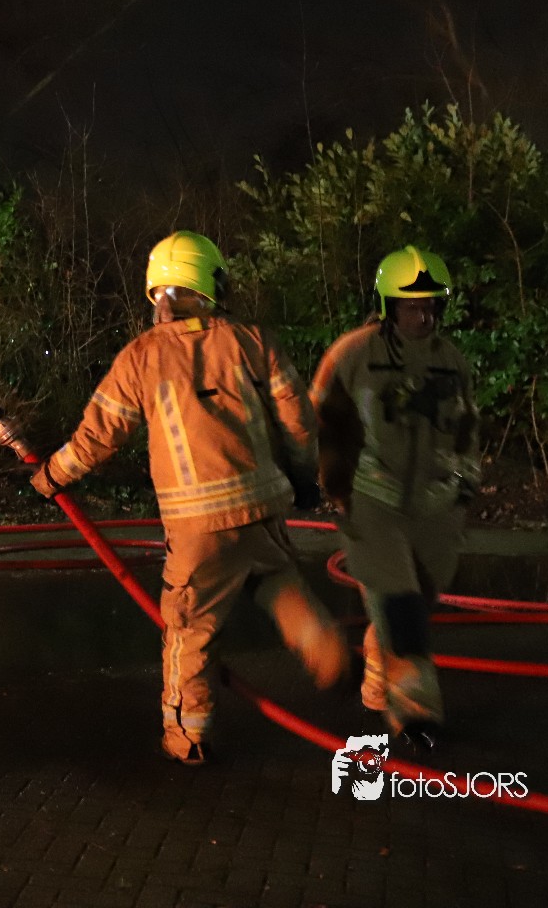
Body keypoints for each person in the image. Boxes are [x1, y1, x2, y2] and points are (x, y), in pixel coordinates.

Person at [31, 230, 347, 765]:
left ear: (157, 291)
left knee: (189, 630)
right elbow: (298, 421)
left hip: (198, 529)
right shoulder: (252, 341)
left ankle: (188, 738)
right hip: (263, 510)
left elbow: (97, 436)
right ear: (210, 283)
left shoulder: (142, 357)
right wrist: (303, 479)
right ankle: (324, 647)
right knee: (279, 582)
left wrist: (49, 478)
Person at [311, 245, 479, 750]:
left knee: (413, 604)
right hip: (373, 502)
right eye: (411, 307)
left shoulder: (450, 361)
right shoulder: (354, 355)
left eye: (430, 306)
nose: (423, 317)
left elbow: (467, 428)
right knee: (400, 609)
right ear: (387, 306)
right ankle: (416, 714)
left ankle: (375, 685)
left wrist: (466, 484)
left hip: (434, 508)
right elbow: (323, 420)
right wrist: (334, 484)